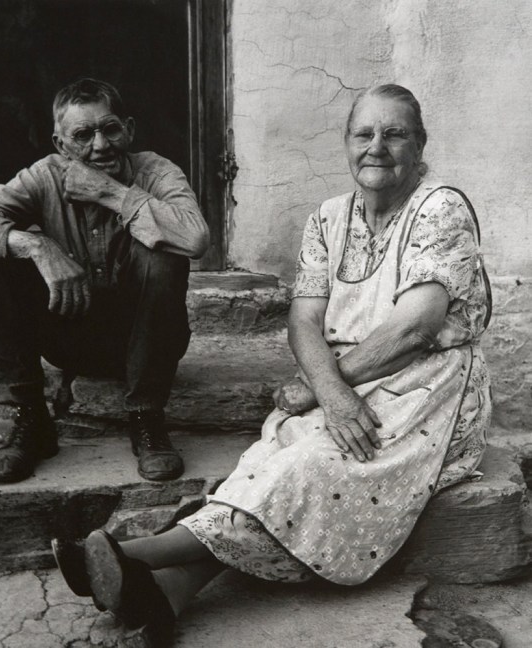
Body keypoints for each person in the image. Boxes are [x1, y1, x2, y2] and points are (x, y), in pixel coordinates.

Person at [51, 84, 492, 646]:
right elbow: (304, 321)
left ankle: (132, 555)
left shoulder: (441, 207)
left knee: (310, 467)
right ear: (346, 144)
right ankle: (166, 594)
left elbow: (415, 327)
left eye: (394, 133)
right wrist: (329, 392)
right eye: (364, 134)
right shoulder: (328, 218)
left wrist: (324, 392)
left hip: (428, 390)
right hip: (344, 381)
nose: (376, 147)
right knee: (272, 461)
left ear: (419, 144)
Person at [0, 78, 209, 484]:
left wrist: (113, 194)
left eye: (111, 129)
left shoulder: (156, 170)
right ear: (61, 144)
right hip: (67, 334)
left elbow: (195, 237)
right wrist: (36, 246)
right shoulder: (44, 176)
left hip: (141, 339)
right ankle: (32, 418)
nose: (100, 145)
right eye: (83, 135)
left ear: (129, 129)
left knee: (165, 252)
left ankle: (146, 419)